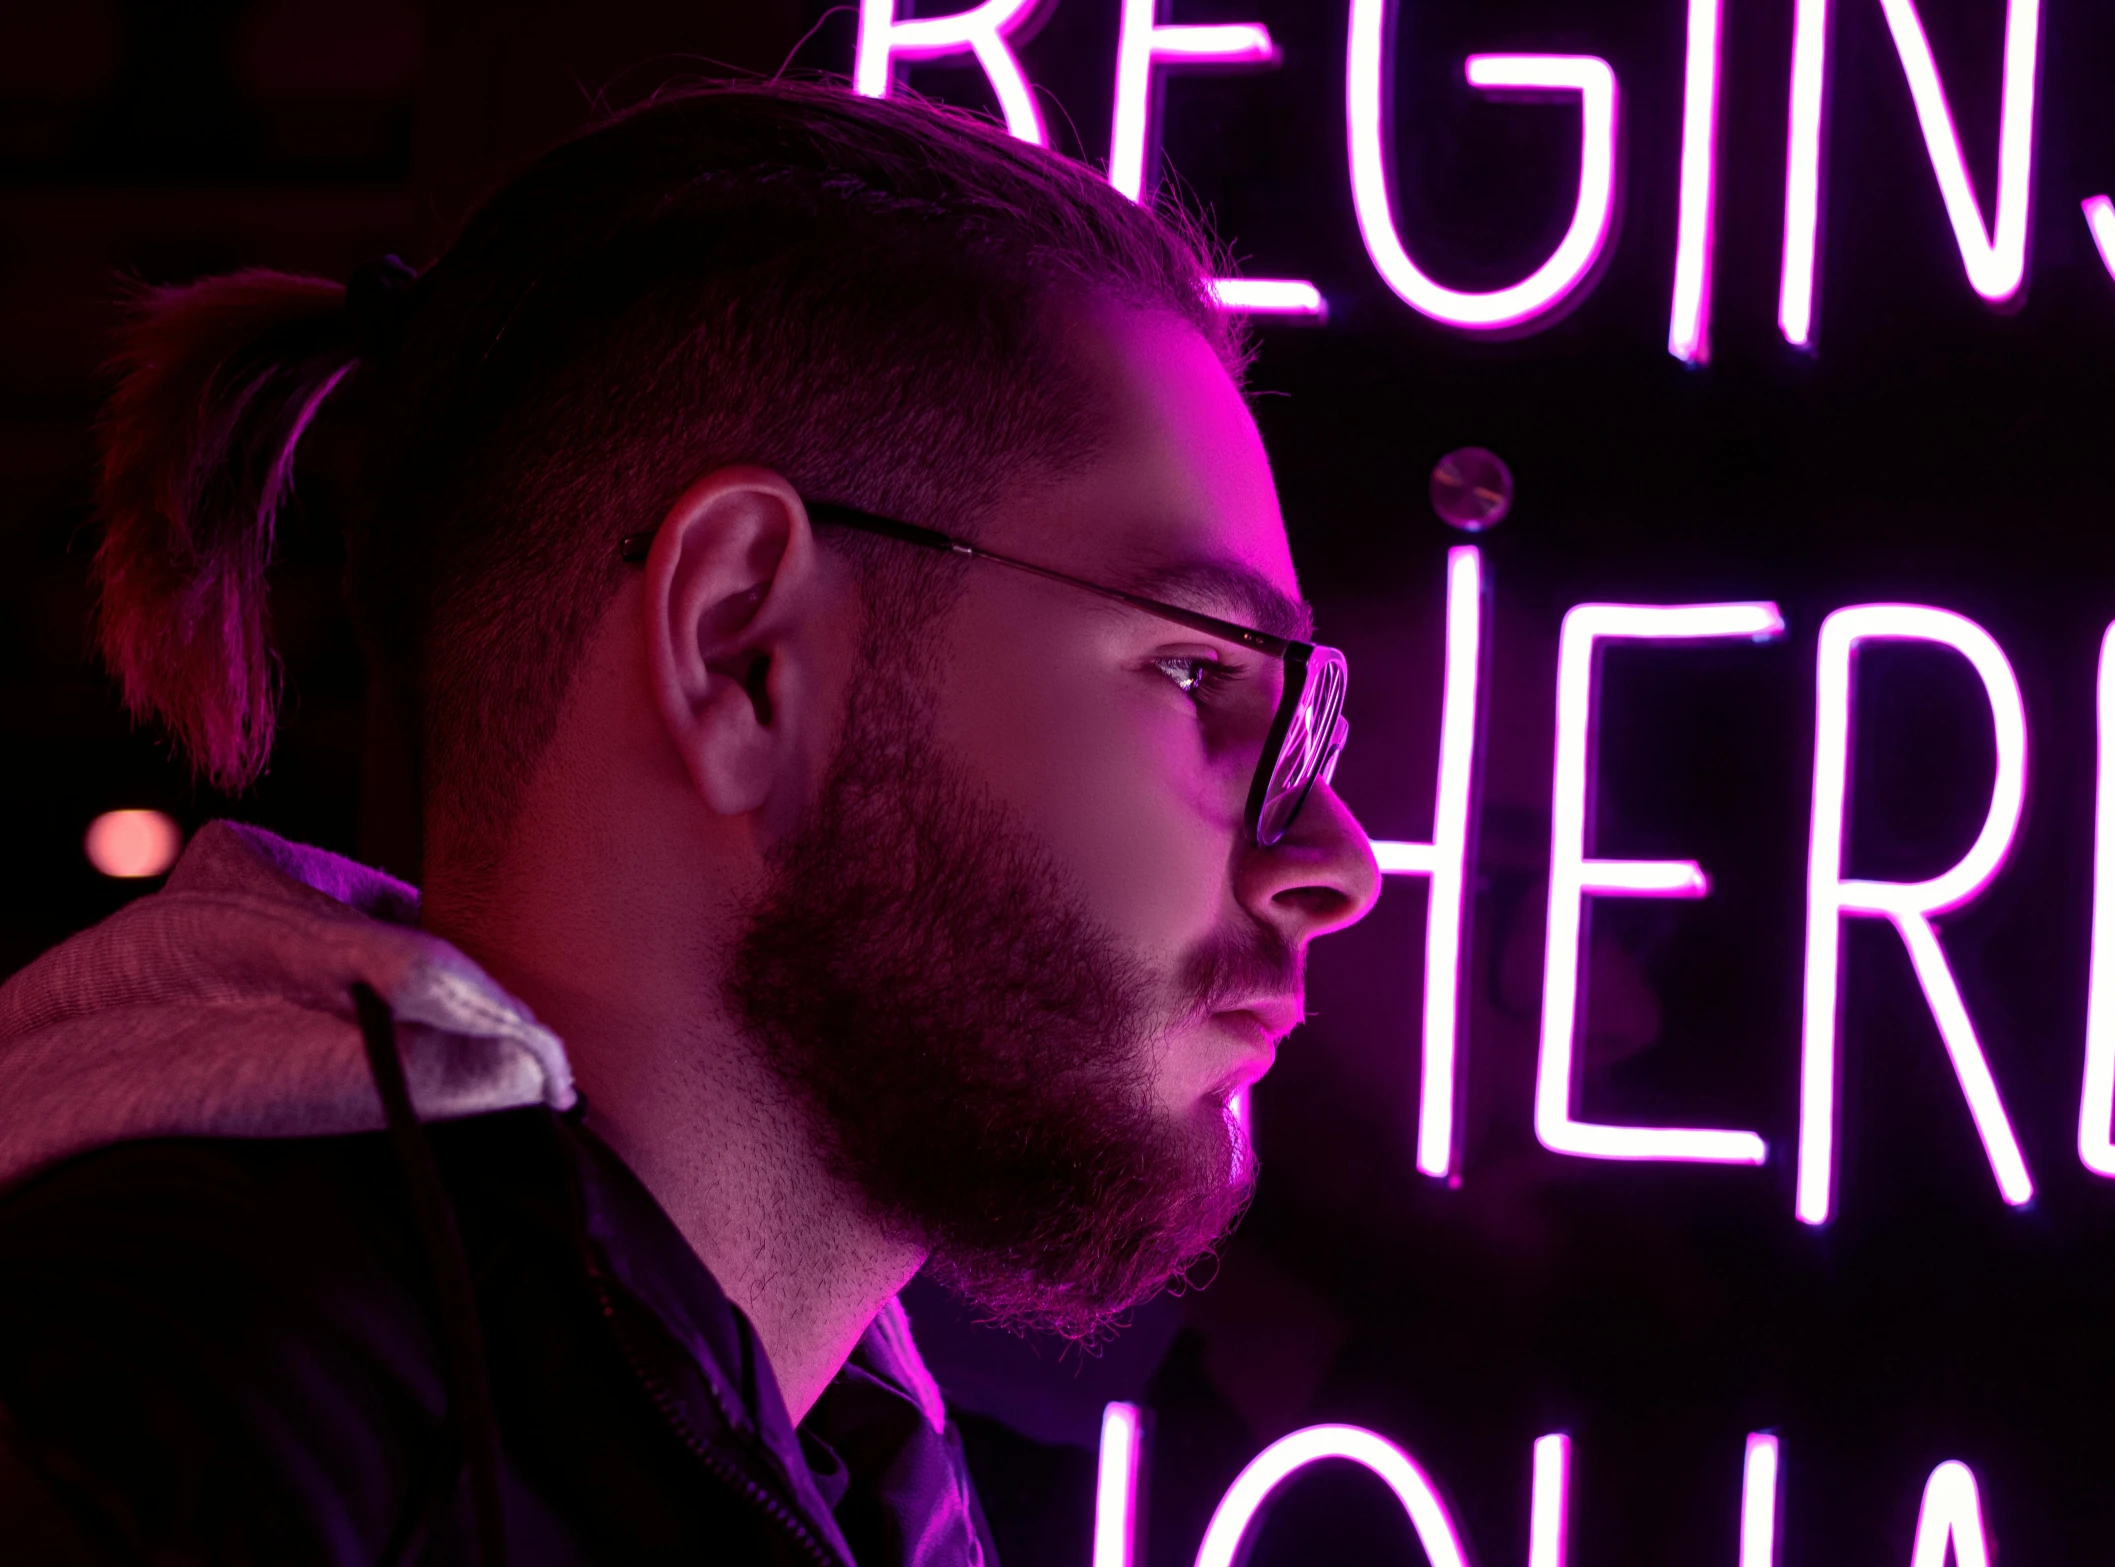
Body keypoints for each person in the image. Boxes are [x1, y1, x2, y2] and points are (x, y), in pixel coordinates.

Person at [0, 81, 1378, 1565]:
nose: (1340, 862)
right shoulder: (143, 1439)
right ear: (744, 649)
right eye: (1196, 670)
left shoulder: (826, 1479)